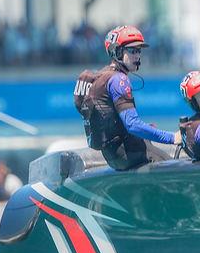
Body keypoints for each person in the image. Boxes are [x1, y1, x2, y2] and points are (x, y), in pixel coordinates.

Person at [74, 25, 179, 170]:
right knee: (175, 168)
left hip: (114, 155)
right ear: (117, 51)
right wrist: (172, 138)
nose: (137, 56)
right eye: (132, 50)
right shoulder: (119, 80)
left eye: (139, 51)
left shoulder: (102, 76)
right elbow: (132, 125)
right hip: (128, 152)